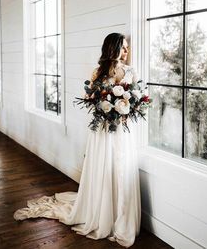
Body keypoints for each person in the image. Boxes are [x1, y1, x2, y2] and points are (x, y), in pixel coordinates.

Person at [14, 33, 141, 248]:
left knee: (121, 167)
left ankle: (120, 213)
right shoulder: (98, 72)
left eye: (128, 48)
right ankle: (101, 210)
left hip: (122, 130)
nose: (127, 52)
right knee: (104, 165)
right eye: (124, 48)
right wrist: (105, 106)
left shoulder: (130, 71)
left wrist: (126, 108)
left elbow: (135, 98)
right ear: (113, 49)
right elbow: (92, 101)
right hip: (102, 129)